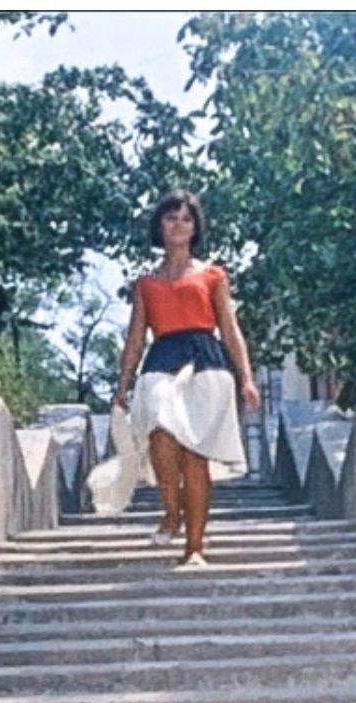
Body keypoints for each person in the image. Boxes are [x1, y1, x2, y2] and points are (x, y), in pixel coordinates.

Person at [112, 190, 261, 567]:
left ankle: (194, 548)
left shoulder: (213, 275)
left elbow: (229, 328)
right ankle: (171, 510)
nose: (178, 224)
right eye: (170, 217)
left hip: (206, 361)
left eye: (186, 219)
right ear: (159, 226)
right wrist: (123, 384)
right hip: (162, 357)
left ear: (195, 228)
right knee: (161, 435)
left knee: (195, 457)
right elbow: (135, 336)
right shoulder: (146, 283)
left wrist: (246, 378)